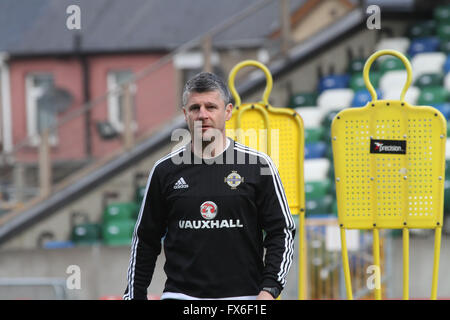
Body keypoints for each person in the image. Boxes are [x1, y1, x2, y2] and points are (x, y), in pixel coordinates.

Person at [123, 72, 295, 300]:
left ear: (228, 112)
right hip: (181, 297)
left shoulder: (258, 166)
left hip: (243, 298)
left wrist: (270, 288)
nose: (202, 115)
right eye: (195, 108)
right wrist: (134, 296)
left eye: (211, 107)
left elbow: (281, 231)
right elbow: (145, 239)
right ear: (185, 114)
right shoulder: (165, 170)